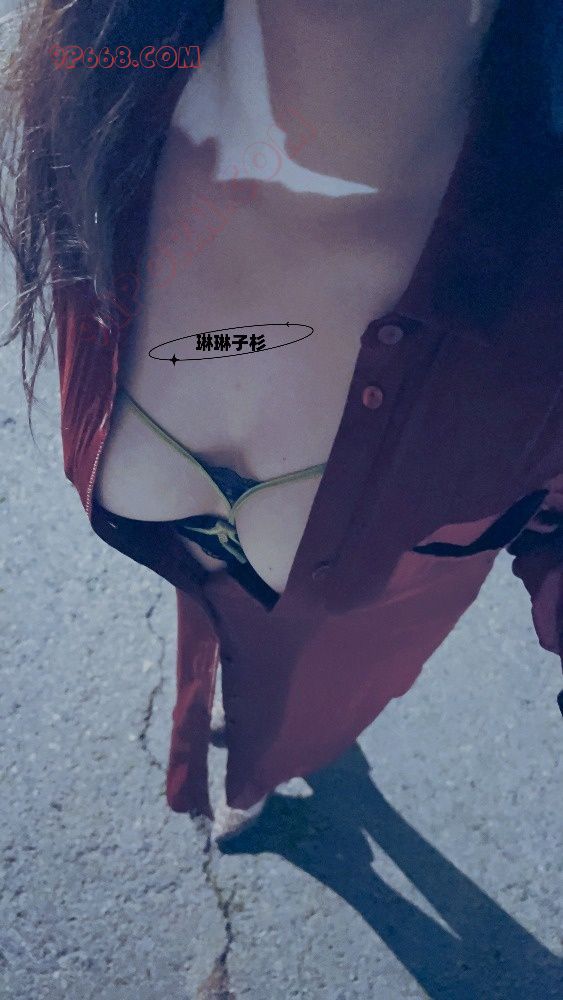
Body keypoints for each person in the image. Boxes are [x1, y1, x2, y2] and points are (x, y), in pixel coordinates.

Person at [1, 0, 562, 845]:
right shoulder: (92, 91)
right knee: (216, 624)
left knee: (299, 715)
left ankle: (264, 765)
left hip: (361, 637)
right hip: (201, 574)